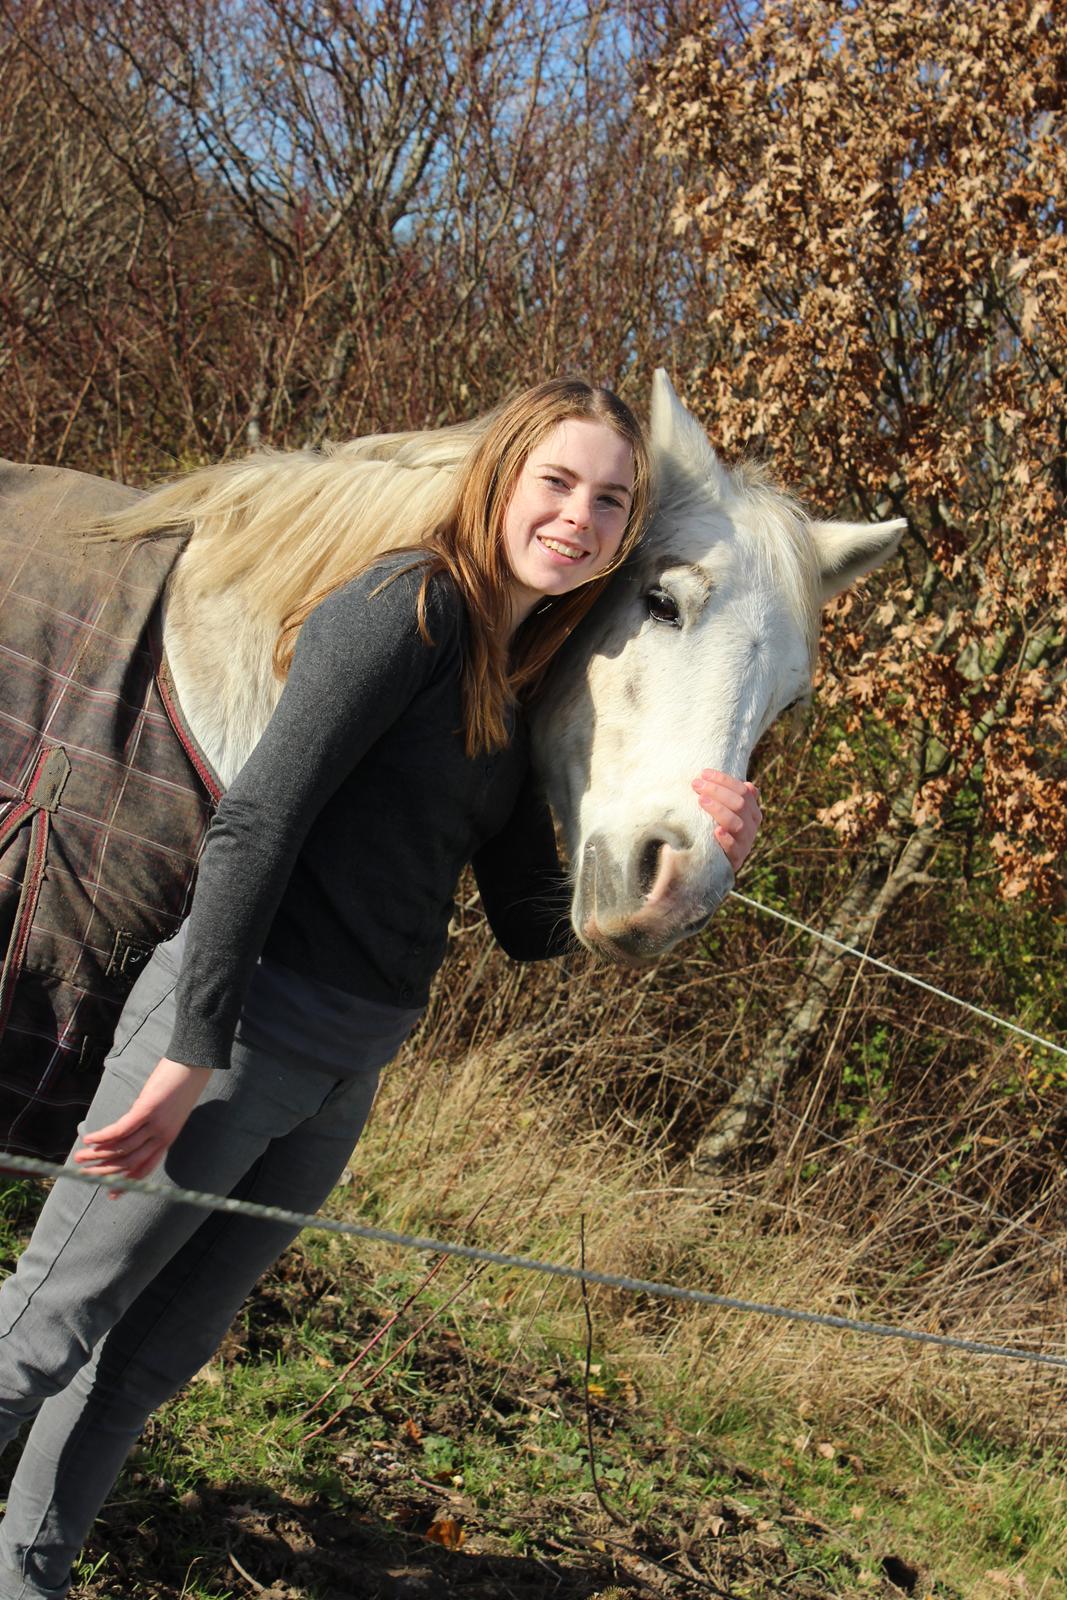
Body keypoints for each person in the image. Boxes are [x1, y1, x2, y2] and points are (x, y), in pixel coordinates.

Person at [0, 380, 761, 1600]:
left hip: (344, 1070)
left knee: (147, 1363)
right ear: (503, 475)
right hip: (237, 1030)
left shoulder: (520, 676)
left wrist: (673, 889)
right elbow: (254, 822)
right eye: (556, 482)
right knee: (44, 1329)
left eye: (608, 501)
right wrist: (190, 1045)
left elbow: (525, 928)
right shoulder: (408, 606)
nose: (577, 517)